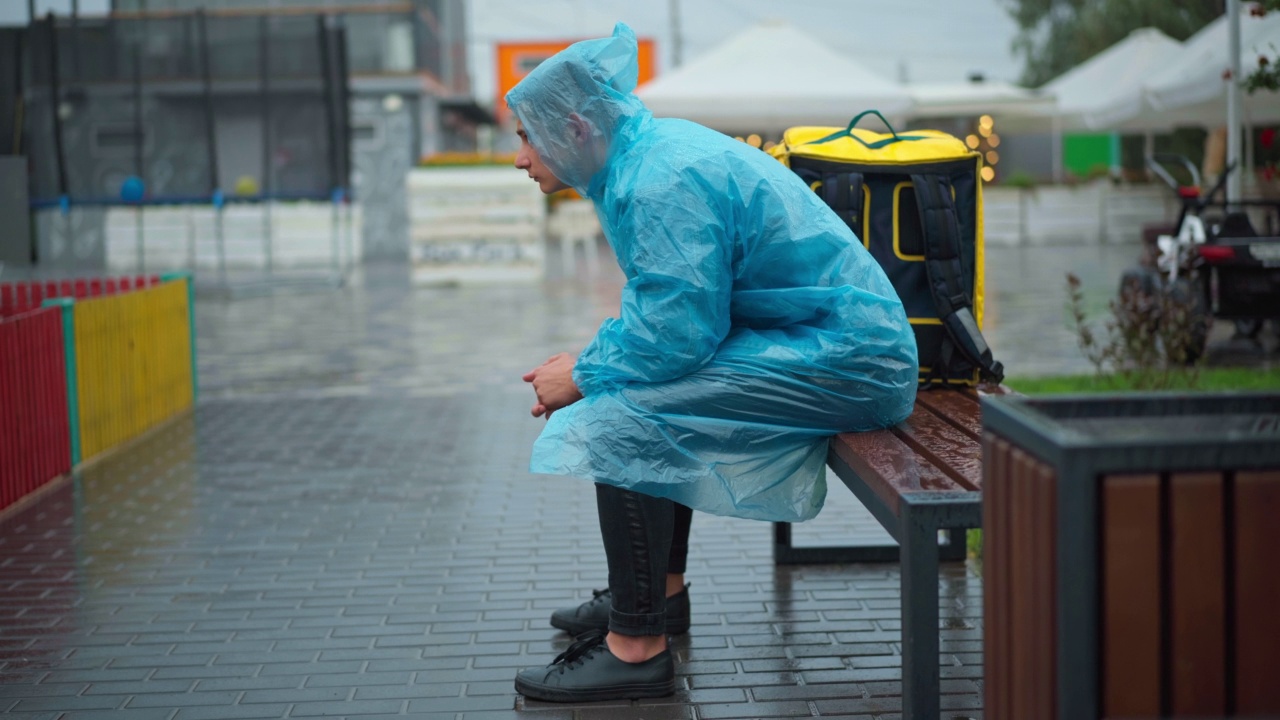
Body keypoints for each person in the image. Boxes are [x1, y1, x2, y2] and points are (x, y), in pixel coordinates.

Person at [509, 23, 918, 703]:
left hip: (852, 359)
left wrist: (581, 374)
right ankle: (655, 599)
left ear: (575, 128)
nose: (518, 158)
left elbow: (675, 334)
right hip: (827, 341)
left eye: (525, 136)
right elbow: (673, 317)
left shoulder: (656, 178)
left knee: (622, 416)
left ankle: (636, 649)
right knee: (642, 394)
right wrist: (596, 363)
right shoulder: (641, 159)